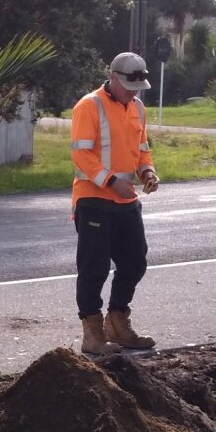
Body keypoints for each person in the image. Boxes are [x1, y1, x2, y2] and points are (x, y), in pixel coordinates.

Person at [70, 51, 160, 356]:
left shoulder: (138, 108)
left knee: (135, 262)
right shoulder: (89, 106)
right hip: (94, 199)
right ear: (112, 78)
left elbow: (141, 148)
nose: (132, 92)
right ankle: (92, 334)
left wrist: (147, 171)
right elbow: (81, 155)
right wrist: (110, 181)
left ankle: (118, 323)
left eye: (137, 88)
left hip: (126, 202)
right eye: (127, 86)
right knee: (94, 268)